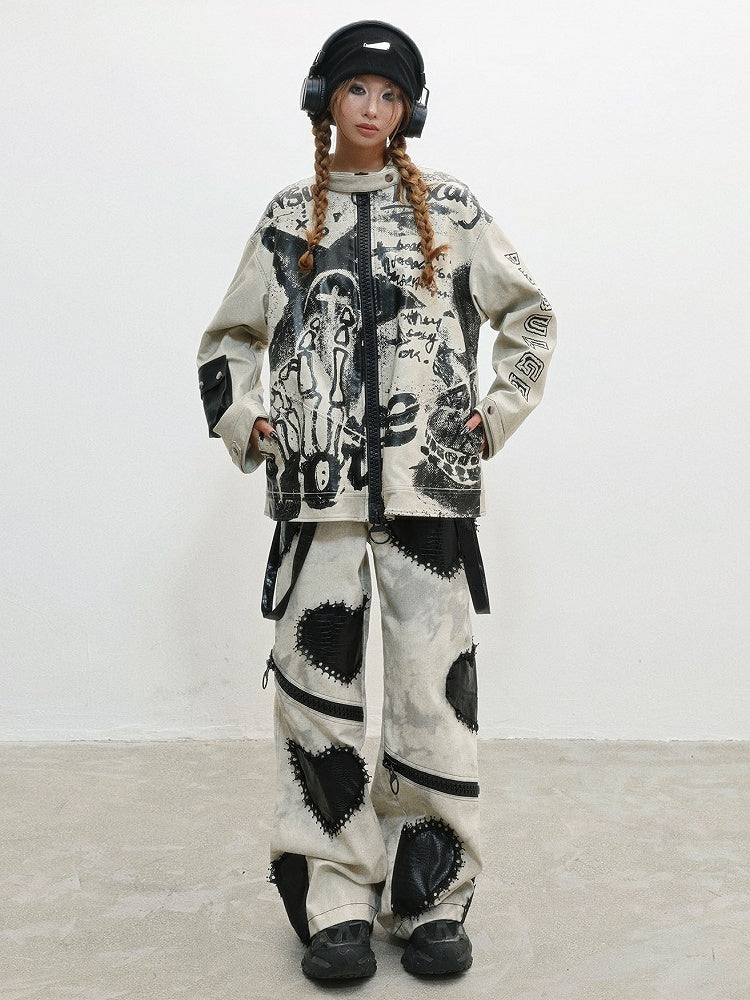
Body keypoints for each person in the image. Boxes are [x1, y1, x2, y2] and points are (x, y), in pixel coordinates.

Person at [197, 20, 556, 981]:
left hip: (429, 491)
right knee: (316, 695)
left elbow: (530, 316)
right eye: (358, 89)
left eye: (391, 94)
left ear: (411, 109)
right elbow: (227, 341)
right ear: (326, 99)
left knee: (433, 692)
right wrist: (249, 423)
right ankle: (334, 899)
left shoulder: (455, 211)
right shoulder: (287, 218)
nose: (374, 108)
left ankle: (432, 898)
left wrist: (493, 416)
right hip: (316, 494)